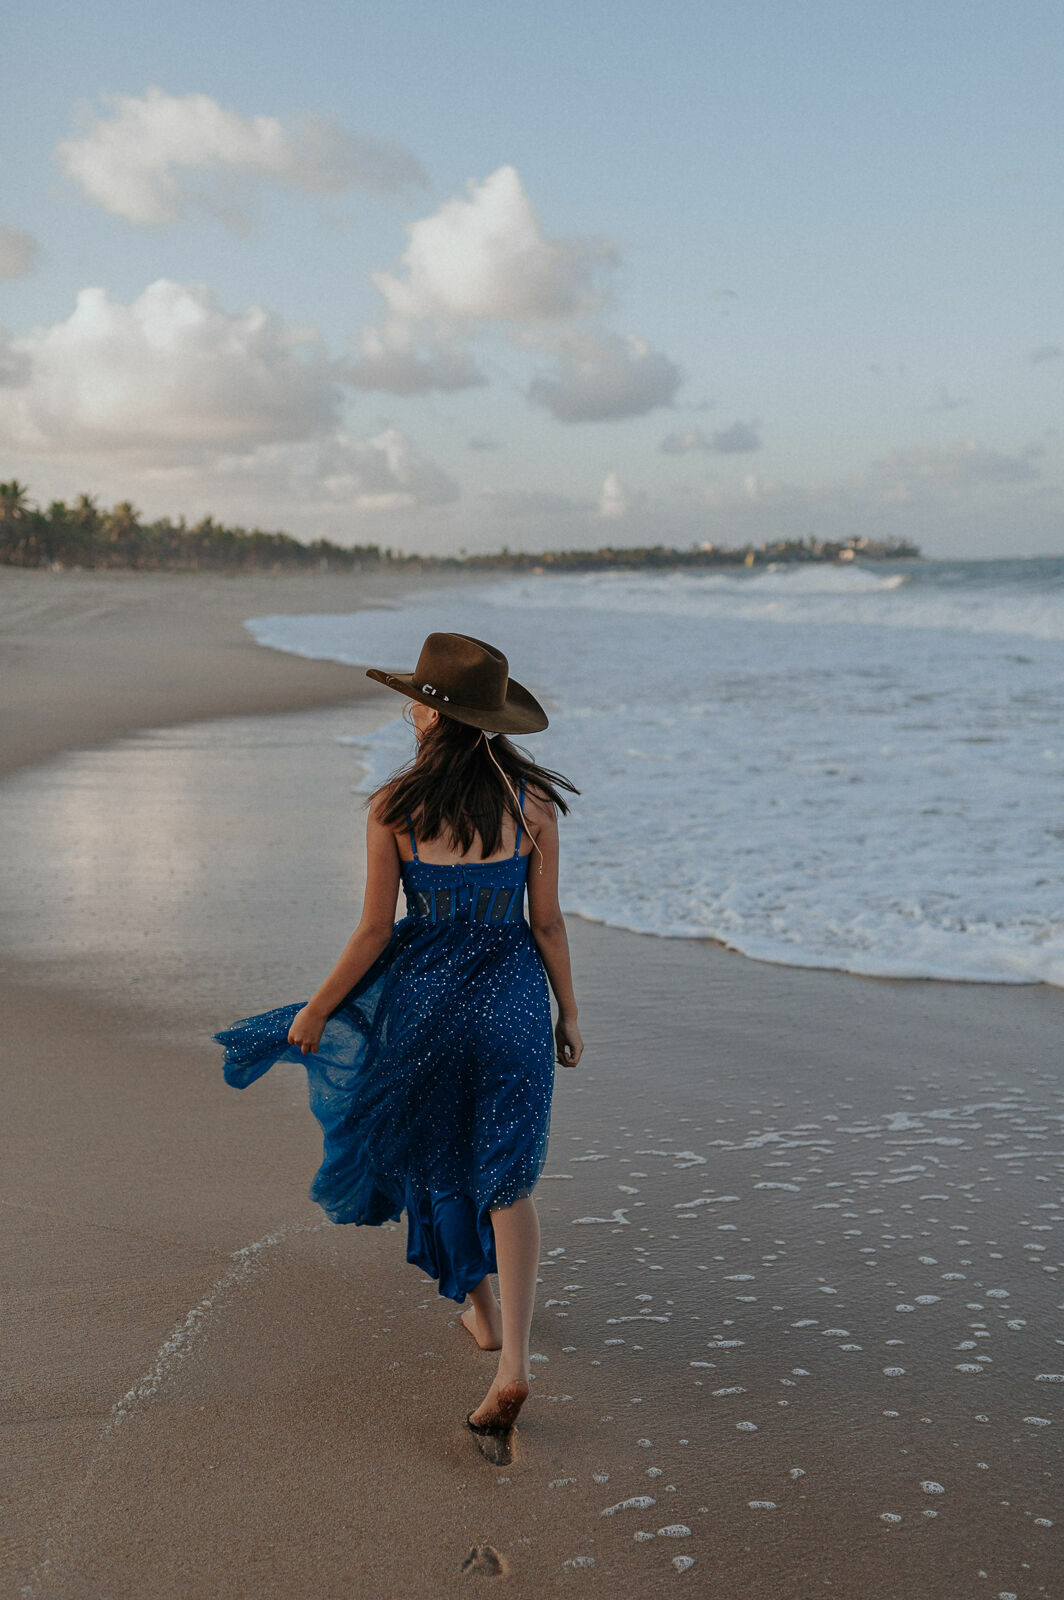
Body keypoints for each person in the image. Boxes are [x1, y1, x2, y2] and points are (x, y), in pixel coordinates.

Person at [214, 632, 583, 1437]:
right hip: (515, 1004)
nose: (410, 706)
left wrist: (315, 1011)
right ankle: (512, 1362)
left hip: (429, 1009)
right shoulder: (535, 806)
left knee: (441, 1160)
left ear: (430, 714)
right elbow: (547, 925)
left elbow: (374, 933)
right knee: (510, 1181)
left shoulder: (395, 808)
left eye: (416, 696)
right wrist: (568, 1012)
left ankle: (480, 1317)